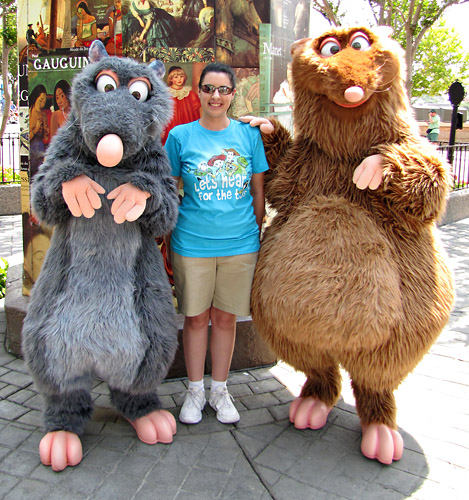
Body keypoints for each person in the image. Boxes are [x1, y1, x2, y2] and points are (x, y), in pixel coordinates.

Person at [165, 62, 269, 425]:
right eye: (209, 88)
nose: (216, 96)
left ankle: (220, 390)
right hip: (192, 243)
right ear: (199, 92)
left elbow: (258, 191)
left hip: (240, 244)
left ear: (232, 94)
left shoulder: (248, 136)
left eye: (224, 90)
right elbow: (169, 189)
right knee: (195, 319)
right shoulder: (179, 137)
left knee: (226, 318)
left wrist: (254, 232)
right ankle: (194, 391)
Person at [162, 66, 201, 144]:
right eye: (176, 77)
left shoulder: (190, 94)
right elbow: (161, 112)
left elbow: (198, 111)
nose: (179, 79)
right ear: (171, 79)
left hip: (187, 125)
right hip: (170, 126)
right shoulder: (165, 94)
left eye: (181, 76)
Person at [29, 84, 50, 178]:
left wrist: (46, 131)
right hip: (32, 148)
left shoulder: (43, 114)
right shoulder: (29, 112)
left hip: (41, 148)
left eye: (44, 101)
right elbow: (26, 137)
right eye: (40, 100)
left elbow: (46, 137)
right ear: (36, 98)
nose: (42, 104)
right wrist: (36, 129)